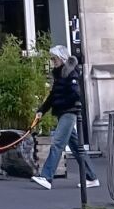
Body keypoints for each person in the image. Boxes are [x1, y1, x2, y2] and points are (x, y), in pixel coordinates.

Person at [30, 46, 100, 190]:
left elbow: (76, 93)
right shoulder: (59, 74)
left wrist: (71, 104)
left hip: (69, 112)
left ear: (62, 58)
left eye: (54, 58)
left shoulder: (70, 72)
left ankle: (46, 177)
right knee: (76, 147)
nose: (52, 61)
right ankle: (92, 177)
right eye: (52, 58)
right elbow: (53, 95)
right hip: (63, 112)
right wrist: (41, 111)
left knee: (57, 143)